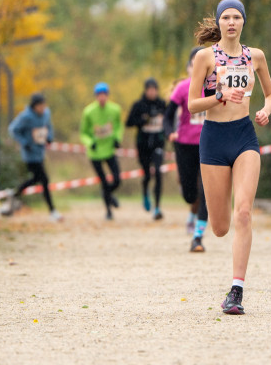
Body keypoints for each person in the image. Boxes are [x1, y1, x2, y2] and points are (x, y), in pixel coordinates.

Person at [187, 0, 271, 315]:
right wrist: (219, 95)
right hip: (213, 139)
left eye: (236, 17)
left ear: (243, 22)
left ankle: (236, 291)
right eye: (226, 17)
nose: (231, 22)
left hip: (244, 137)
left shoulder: (256, 57)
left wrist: (265, 110)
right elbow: (192, 105)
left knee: (244, 214)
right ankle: (213, 228)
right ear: (219, 22)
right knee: (221, 227)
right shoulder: (205, 57)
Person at [165, 47, 210, 252]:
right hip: (184, 146)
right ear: (189, 67)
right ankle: (191, 210)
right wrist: (169, 133)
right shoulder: (182, 88)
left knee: (207, 192)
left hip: (209, 145)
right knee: (189, 194)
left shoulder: (215, 87)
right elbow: (168, 116)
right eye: (194, 63)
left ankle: (198, 237)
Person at [8, 92, 62, 222]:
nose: (42, 108)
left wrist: (49, 138)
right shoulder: (26, 116)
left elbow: (48, 126)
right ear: (34, 106)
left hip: (40, 152)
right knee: (44, 180)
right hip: (30, 154)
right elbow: (13, 129)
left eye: (44, 105)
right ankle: (52, 210)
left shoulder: (46, 113)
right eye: (40, 106)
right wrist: (24, 143)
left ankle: (15, 193)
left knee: (37, 179)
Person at [80, 82, 124, 220]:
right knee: (104, 182)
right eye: (99, 95)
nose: (102, 98)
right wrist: (90, 142)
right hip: (96, 153)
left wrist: (117, 138)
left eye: (104, 95)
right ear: (95, 96)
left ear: (108, 95)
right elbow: (83, 132)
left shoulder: (115, 109)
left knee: (117, 180)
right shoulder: (88, 112)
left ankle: (108, 195)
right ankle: (108, 211)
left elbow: (118, 126)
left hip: (109, 150)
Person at [126, 78, 167, 220]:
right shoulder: (138, 105)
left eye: (154, 89)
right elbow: (128, 122)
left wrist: (168, 134)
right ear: (145, 90)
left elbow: (168, 122)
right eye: (149, 90)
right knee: (147, 175)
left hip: (158, 144)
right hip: (143, 145)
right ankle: (145, 192)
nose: (152, 92)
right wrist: (142, 120)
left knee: (158, 172)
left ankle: (157, 207)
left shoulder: (162, 104)